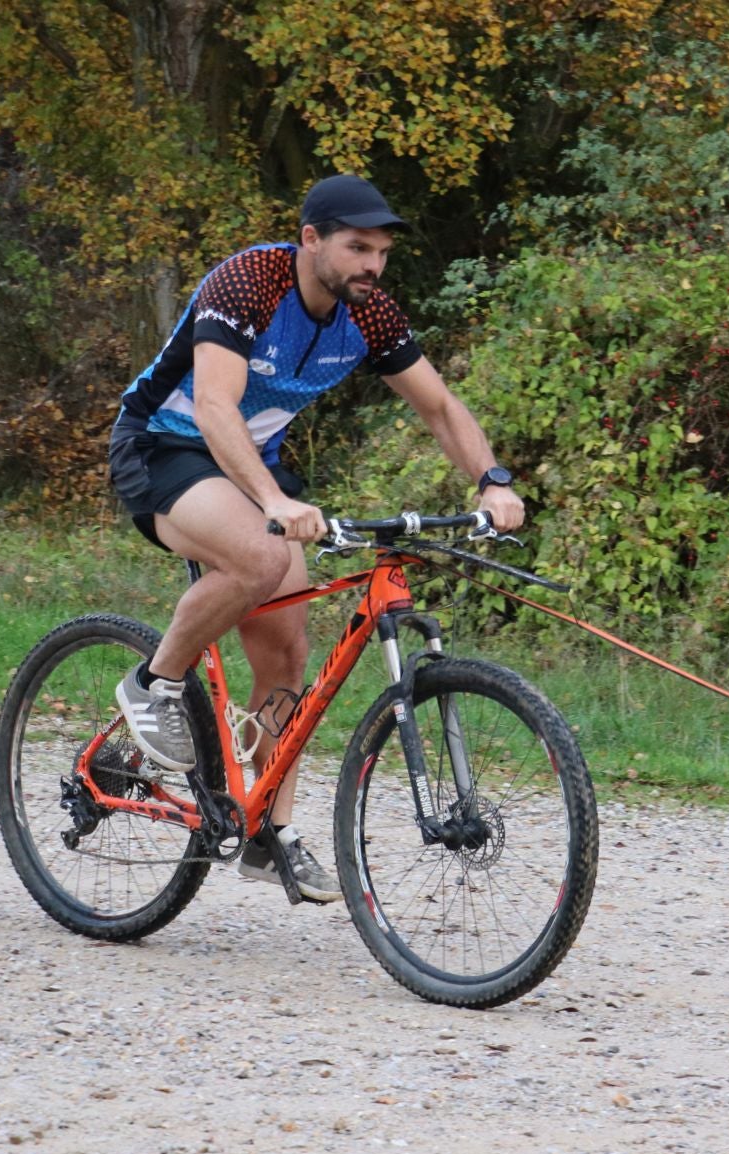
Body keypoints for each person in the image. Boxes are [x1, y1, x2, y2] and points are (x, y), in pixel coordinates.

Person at [107, 174, 524, 902]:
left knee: (288, 651)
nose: (373, 264)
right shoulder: (248, 284)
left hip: (249, 467)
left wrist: (492, 479)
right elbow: (212, 405)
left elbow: (439, 406)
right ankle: (154, 684)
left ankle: (267, 831)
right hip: (165, 447)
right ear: (310, 239)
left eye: (383, 252)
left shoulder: (370, 315)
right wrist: (272, 500)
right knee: (262, 556)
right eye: (357, 247)